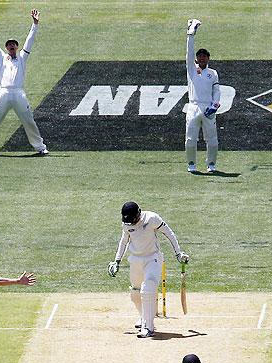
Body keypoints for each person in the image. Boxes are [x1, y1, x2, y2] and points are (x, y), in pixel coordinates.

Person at [107, 201, 189, 338]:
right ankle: (143, 317)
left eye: (133, 220)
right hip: (135, 260)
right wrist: (117, 261)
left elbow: (169, 233)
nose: (131, 223)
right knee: (135, 293)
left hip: (153, 259)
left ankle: (148, 327)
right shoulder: (127, 224)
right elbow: (124, 241)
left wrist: (178, 253)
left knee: (148, 288)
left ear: (138, 214)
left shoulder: (151, 218)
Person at [0, 9, 48, 156]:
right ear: (6, 48)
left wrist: (35, 24)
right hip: (3, 93)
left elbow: (30, 41)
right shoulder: (1, 57)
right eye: (9, 45)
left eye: (14, 45)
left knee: (29, 121)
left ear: (17, 47)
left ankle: (40, 147)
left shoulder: (22, 57)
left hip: (19, 93)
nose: (11, 46)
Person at [184, 19, 221, 173]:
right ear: (196, 58)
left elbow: (216, 91)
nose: (202, 58)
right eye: (200, 56)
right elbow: (189, 53)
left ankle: (211, 164)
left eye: (205, 56)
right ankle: (191, 164)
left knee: (212, 140)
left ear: (208, 58)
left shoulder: (212, 74)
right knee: (191, 139)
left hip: (208, 107)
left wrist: (214, 105)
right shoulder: (192, 69)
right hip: (193, 106)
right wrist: (190, 36)